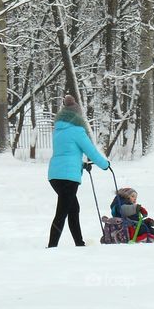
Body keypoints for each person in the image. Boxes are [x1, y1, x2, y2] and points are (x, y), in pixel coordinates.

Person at [46, 94, 110, 247]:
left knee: (73, 208)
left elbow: (66, 155)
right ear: (77, 115)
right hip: (68, 178)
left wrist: (82, 165)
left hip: (54, 175)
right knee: (62, 212)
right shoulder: (77, 131)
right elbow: (92, 152)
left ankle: (79, 244)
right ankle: (51, 246)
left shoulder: (58, 130)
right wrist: (105, 165)